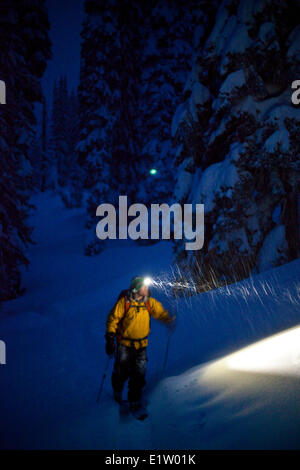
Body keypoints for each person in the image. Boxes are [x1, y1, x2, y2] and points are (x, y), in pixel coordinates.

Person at [105, 276, 175, 411]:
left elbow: (159, 313)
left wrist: (168, 320)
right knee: (121, 371)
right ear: (137, 289)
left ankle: (134, 399)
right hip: (124, 345)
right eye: (144, 287)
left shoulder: (149, 302)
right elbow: (113, 319)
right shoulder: (124, 303)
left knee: (139, 373)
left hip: (141, 345)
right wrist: (109, 338)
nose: (146, 289)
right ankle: (117, 391)